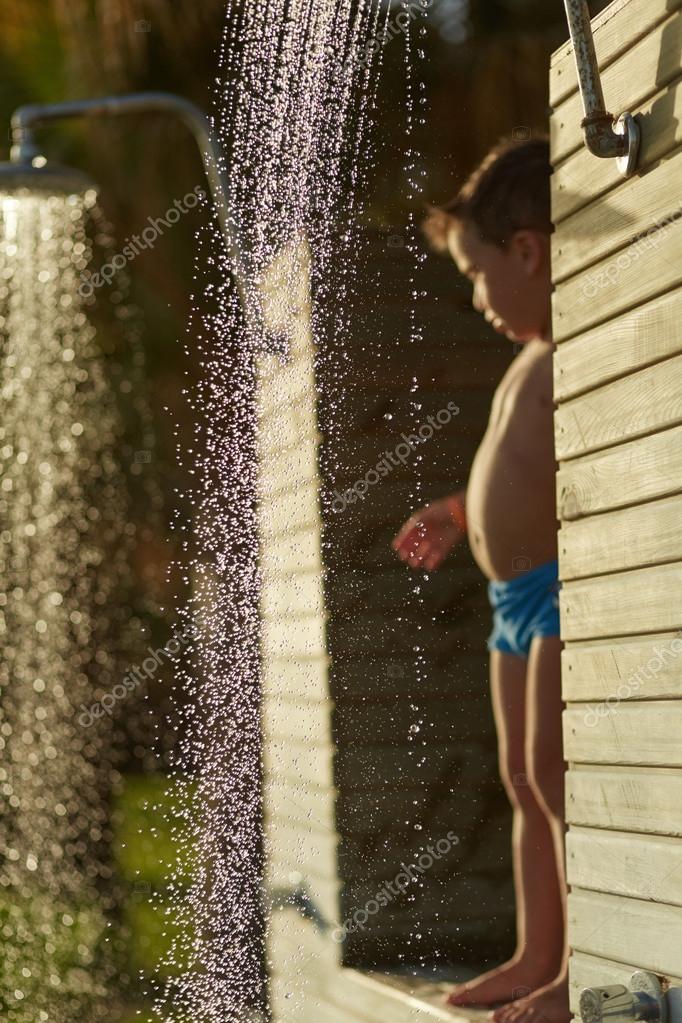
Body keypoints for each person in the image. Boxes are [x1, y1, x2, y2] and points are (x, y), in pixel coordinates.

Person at [392, 136, 569, 1023]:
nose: (475, 295)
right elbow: (515, 475)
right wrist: (461, 513)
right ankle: (535, 951)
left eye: (475, 270)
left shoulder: (570, 349)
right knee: (522, 778)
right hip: (512, 602)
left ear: (528, 250)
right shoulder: (525, 359)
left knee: (553, 768)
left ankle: (575, 967)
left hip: (556, 594)